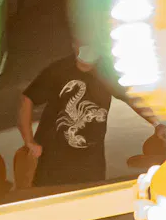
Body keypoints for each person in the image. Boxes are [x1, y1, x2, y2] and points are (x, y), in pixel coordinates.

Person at [15, 47, 122, 189]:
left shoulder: (107, 73)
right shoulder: (60, 70)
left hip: (90, 166)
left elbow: (133, 98)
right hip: (51, 163)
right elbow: (27, 98)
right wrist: (29, 140)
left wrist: (156, 123)